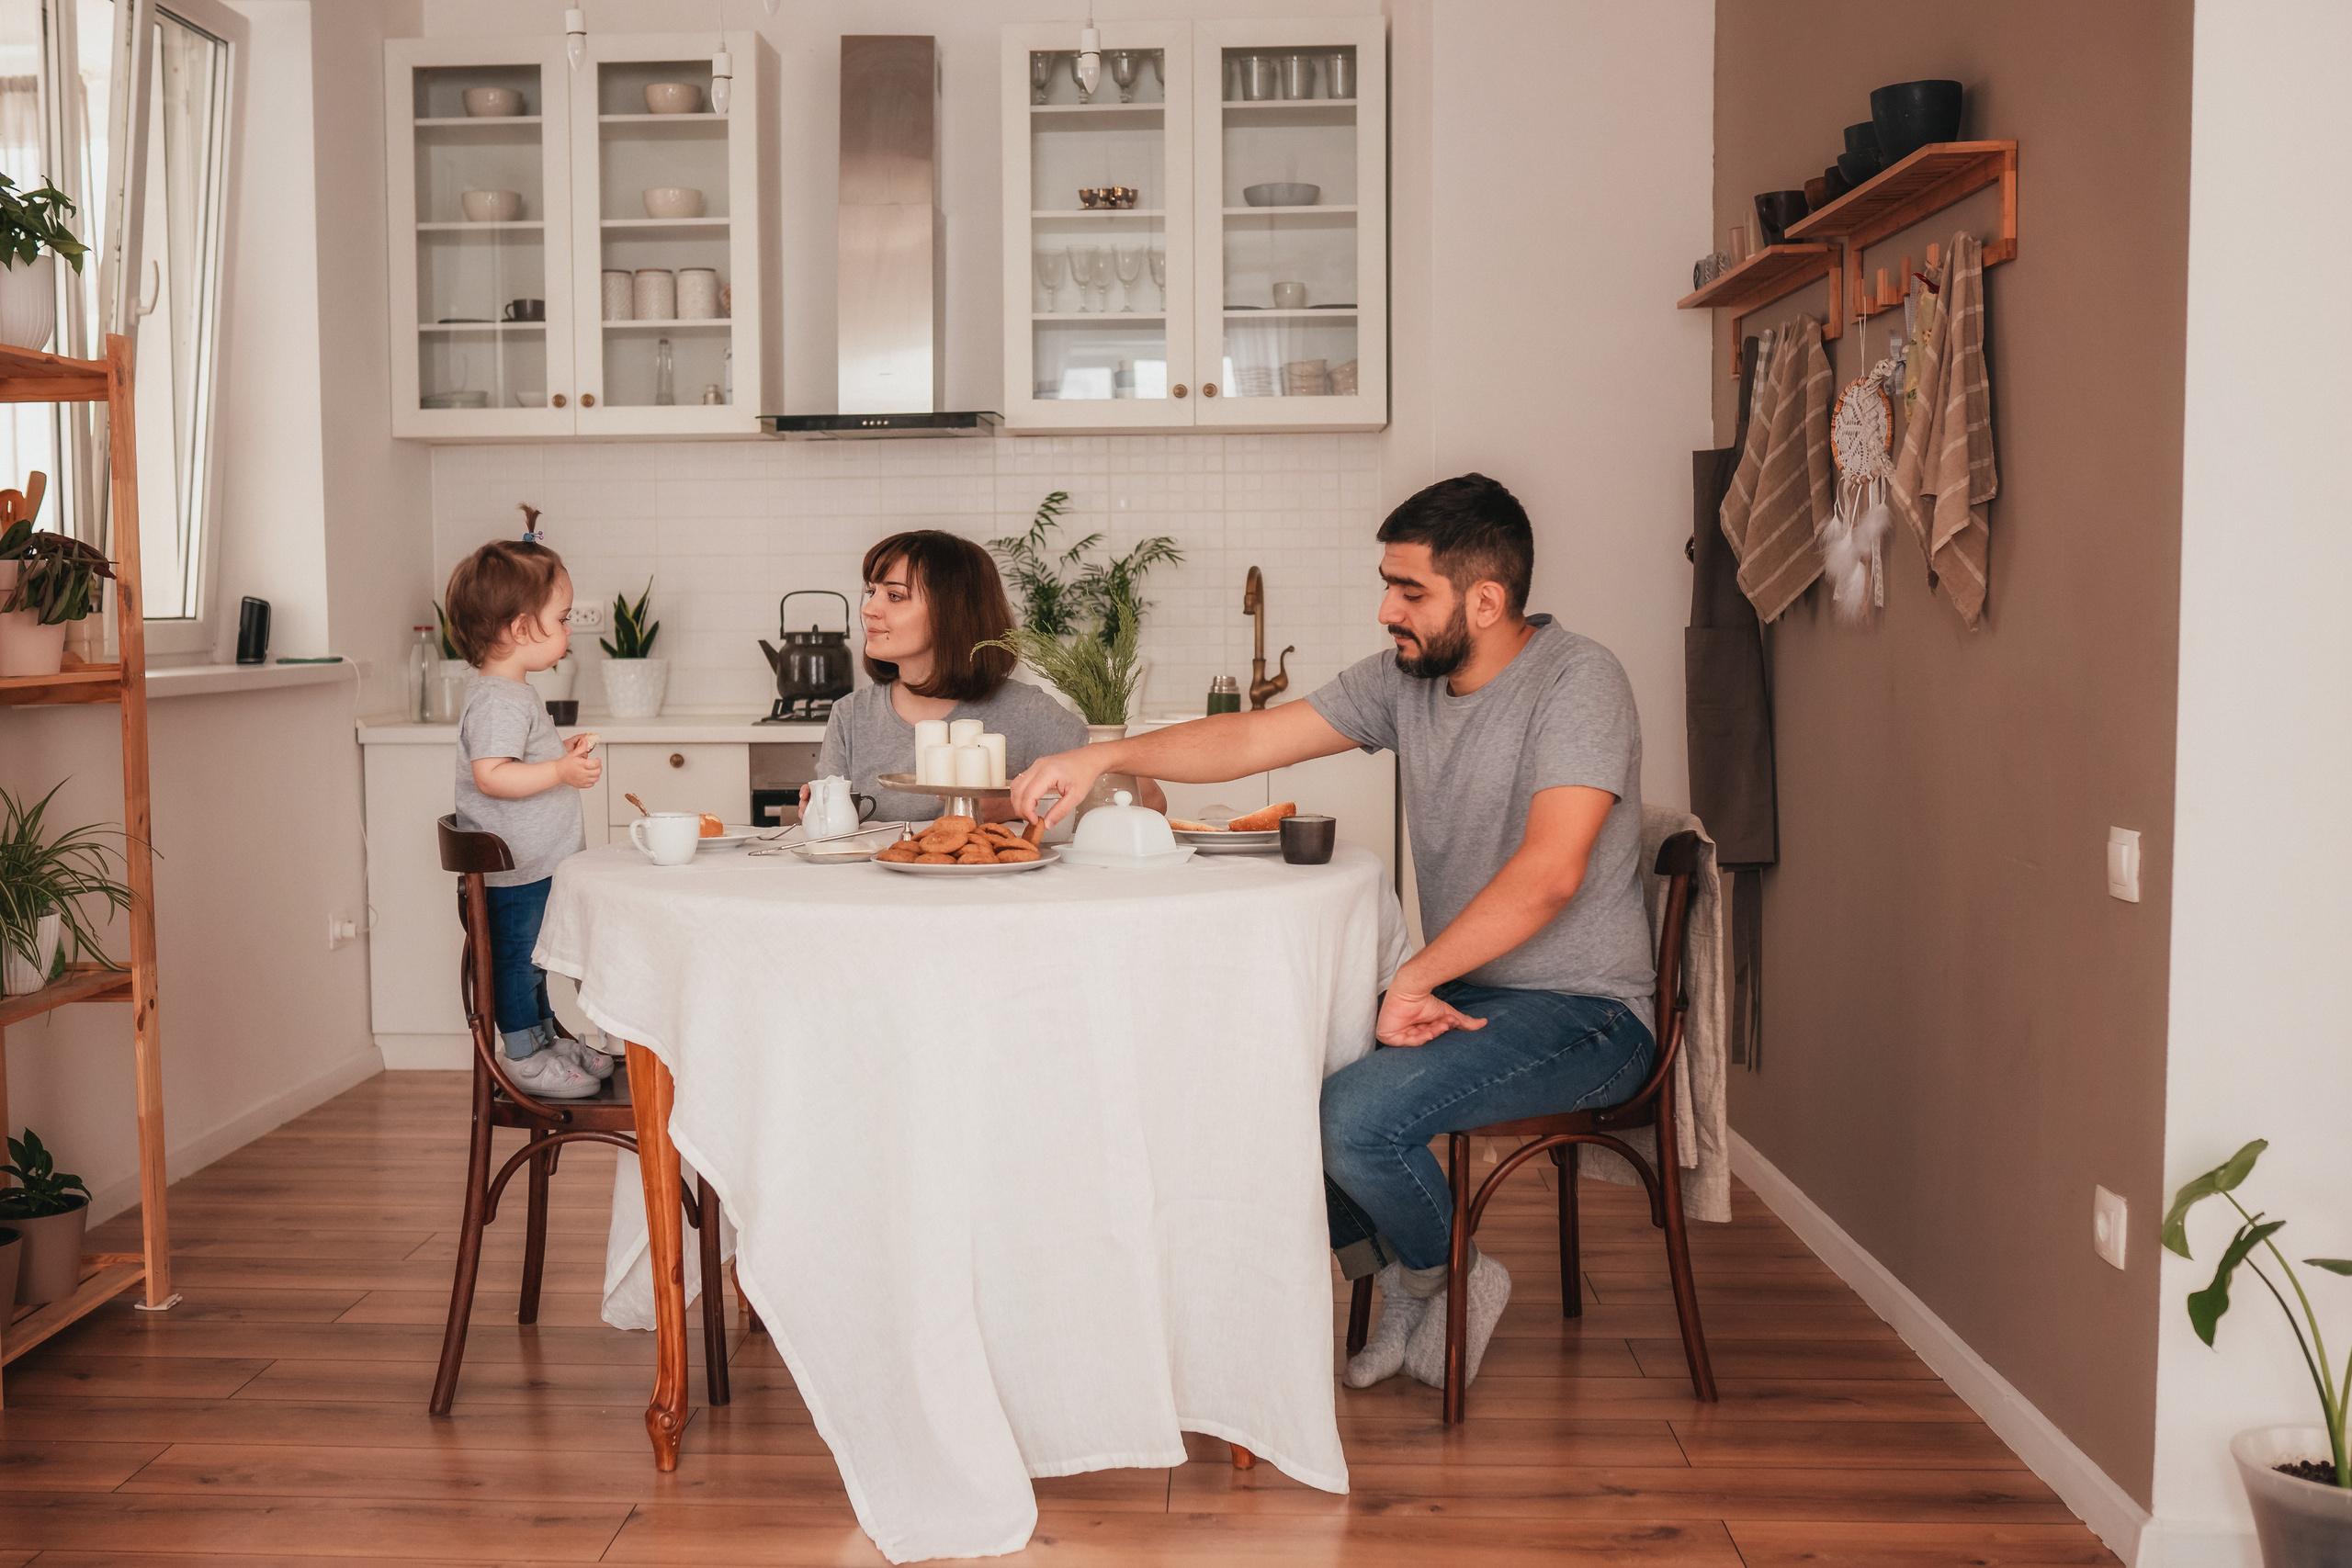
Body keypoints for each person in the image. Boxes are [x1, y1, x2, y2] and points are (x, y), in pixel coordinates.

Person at [1011, 473, 1657, 1391]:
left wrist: (1411, 980)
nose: (1387, 608)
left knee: (1352, 1119)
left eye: (1410, 591)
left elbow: (1551, 874)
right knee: (1262, 1083)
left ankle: (1455, 1278)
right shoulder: (1407, 681)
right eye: (1386, 583)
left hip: (1588, 1013)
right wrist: (1102, 755)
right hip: (1476, 994)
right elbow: (1250, 741)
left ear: (1486, 599)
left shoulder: (1578, 681)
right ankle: (1407, 1283)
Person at [818, 529, 1163, 823]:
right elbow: (833, 833)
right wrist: (817, 811)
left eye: (894, 596)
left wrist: (1014, 806)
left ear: (951, 613)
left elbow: (1150, 802)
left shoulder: (1028, 713)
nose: (869, 609)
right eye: (871, 591)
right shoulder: (850, 716)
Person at [447, 536, 611, 1100]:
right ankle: (521, 1053)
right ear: (521, 629)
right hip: (514, 870)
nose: (569, 633)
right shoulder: (498, 699)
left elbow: (516, 762)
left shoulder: (513, 694)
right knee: (519, 962)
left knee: (534, 962)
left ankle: (542, 1038)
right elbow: (493, 774)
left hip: (534, 863)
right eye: (562, 619)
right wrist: (561, 773)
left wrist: (554, 755)